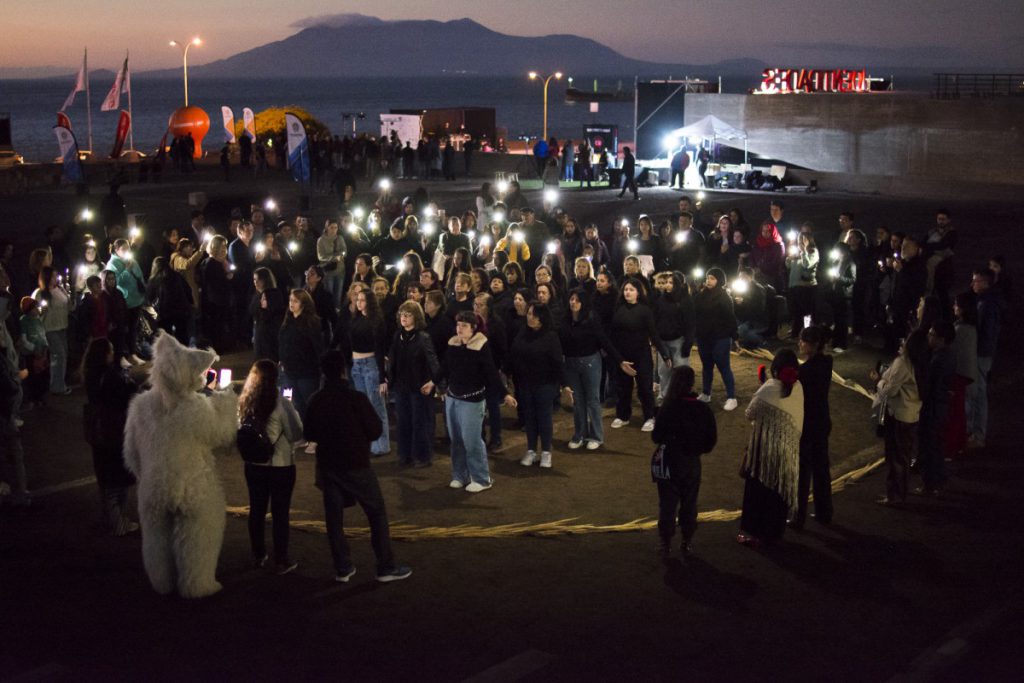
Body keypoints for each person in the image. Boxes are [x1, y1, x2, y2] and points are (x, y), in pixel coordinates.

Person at [304, 350, 412, 583]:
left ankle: (342, 567)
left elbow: (309, 433)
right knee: (376, 512)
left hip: (328, 466)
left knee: (334, 520)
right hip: (356, 464)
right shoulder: (356, 399)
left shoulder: (316, 399)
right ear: (343, 371)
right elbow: (375, 430)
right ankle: (385, 565)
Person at [238, 359, 303, 575]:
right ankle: (281, 559)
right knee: (280, 512)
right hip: (280, 465)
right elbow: (296, 433)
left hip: (253, 464)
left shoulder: (246, 400)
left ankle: (258, 555)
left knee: (256, 509)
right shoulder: (281, 403)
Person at [443, 311, 517, 491]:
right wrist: (432, 382)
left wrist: (505, 394)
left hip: (472, 401)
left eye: (464, 326)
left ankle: (482, 479)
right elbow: (445, 367)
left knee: (472, 440)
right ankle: (460, 475)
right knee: (457, 440)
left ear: (473, 328)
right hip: (452, 398)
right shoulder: (453, 344)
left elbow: (491, 373)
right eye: (458, 325)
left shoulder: (481, 346)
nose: (459, 329)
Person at [738, 349, 804, 547]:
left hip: (764, 451)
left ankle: (754, 534)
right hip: (787, 450)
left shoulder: (770, 387)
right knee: (778, 492)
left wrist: (764, 388)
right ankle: (774, 533)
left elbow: (750, 413)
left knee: (759, 491)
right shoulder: (798, 387)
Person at [652, 366, 717, 556]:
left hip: (670, 462)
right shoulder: (703, 409)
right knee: (689, 503)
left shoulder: (668, 408)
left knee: (667, 504)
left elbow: (656, 437)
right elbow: (711, 440)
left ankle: (665, 542)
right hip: (691, 463)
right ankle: (687, 541)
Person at [81, 337, 140, 534]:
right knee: (117, 479)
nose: (113, 353)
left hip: (98, 430)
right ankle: (119, 523)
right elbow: (124, 396)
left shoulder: (91, 374)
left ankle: (109, 518)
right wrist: (130, 383)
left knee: (105, 476)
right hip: (113, 430)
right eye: (111, 350)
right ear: (104, 354)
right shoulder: (110, 377)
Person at [871, 332, 927, 505]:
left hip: (899, 415)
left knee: (896, 457)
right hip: (912, 413)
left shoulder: (903, 363)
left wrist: (878, 380)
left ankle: (895, 496)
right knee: (903, 456)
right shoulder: (922, 362)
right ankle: (899, 494)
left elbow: (890, 391)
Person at [562, 288, 621, 450]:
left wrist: (620, 361)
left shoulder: (591, 319)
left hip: (590, 363)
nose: (573, 302)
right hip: (571, 364)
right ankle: (579, 434)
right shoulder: (565, 320)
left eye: (577, 300)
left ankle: (596, 436)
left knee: (593, 400)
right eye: (571, 299)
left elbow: (604, 341)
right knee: (577, 401)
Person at [509, 302, 566, 469]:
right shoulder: (522, 332)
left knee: (544, 418)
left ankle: (546, 452)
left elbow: (557, 362)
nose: (530, 317)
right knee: (529, 417)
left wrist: (565, 384)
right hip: (525, 383)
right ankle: (531, 450)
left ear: (542, 317)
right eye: (528, 314)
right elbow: (514, 353)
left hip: (545, 384)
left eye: (533, 314)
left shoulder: (550, 336)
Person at [610, 278, 670, 432]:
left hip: (642, 355)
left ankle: (650, 417)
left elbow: (653, 334)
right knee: (623, 387)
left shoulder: (644, 310)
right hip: (623, 356)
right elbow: (613, 335)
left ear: (638, 292)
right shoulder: (618, 309)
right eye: (625, 290)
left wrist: (664, 354)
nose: (627, 292)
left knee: (644, 388)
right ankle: (623, 415)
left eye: (631, 290)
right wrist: (618, 358)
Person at [388, 301, 442, 468]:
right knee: (403, 422)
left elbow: (433, 362)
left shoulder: (423, 338)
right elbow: (393, 360)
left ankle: (422, 456)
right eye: (402, 314)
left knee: (420, 422)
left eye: (408, 314)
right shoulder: (398, 335)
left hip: (419, 387)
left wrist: (436, 383)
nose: (404, 317)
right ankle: (405, 455)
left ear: (416, 317)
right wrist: (389, 379)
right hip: (401, 386)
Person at [792, 326, 833, 528]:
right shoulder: (826, 363)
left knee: (803, 471)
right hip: (822, 421)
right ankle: (824, 512)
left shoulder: (805, 371)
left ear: (812, 344)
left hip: (807, 424)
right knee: (821, 468)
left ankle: (798, 516)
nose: (799, 344)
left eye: (802, 341)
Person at [348, 287, 390, 456]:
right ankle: (368, 442)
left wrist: (382, 376)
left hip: (370, 364)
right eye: (357, 300)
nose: (359, 303)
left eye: (362, 300)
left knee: (376, 405)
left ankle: (382, 445)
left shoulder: (376, 322)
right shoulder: (356, 319)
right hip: (357, 364)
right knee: (363, 406)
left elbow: (380, 349)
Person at [917, 320, 956, 495]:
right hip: (941, 407)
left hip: (932, 408)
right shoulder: (948, 355)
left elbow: (929, 387)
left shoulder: (937, 360)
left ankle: (929, 484)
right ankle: (939, 480)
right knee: (937, 446)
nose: (928, 336)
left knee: (928, 446)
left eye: (932, 334)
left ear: (941, 339)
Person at [967, 268, 1003, 449]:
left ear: (986, 282)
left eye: (976, 280)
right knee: (976, 393)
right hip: (982, 352)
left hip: (981, 354)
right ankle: (973, 431)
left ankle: (978, 434)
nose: (973, 284)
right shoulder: (985, 301)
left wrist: (975, 349)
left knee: (979, 394)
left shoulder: (987, 304)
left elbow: (986, 332)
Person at [693, 268, 738, 411]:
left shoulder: (725, 297)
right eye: (707, 278)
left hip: (720, 337)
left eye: (712, 278)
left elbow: (731, 318)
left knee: (723, 366)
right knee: (706, 366)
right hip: (704, 337)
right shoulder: (701, 295)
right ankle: (706, 393)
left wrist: (735, 336)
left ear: (719, 280)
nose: (708, 281)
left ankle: (732, 397)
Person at [278, 289, 325, 419]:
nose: (291, 304)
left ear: (303, 304)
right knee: (291, 403)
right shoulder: (287, 321)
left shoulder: (311, 322)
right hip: (289, 371)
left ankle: (312, 433)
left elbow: (317, 346)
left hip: (306, 373)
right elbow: (282, 342)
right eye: (290, 300)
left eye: (295, 301)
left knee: (309, 404)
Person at [651, 271, 694, 402]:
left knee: (680, 371)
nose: (667, 285)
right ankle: (665, 396)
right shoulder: (660, 300)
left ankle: (681, 397)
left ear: (678, 285)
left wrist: (688, 344)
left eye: (671, 283)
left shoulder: (685, 301)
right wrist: (657, 341)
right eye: (667, 283)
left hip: (678, 341)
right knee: (664, 372)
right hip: (663, 342)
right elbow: (655, 321)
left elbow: (690, 323)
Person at [946, 292, 978, 459]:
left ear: (963, 308)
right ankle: (959, 444)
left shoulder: (960, 329)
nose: (954, 307)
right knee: (959, 411)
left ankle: (951, 448)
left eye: (956, 304)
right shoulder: (970, 327)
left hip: (958, 374)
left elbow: (952, 351)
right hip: (965, 374)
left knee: (954, 412)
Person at [32, 267, 72, 395]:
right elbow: (33, 312)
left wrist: (70, 295)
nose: (56, 279)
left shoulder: (60, 290)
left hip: (62, 327)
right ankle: (57, 386)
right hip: (50, 329)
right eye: (53, 276)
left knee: (62, 355)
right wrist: (40, 312)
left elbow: (69, 306)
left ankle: (58, 383)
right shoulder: (39, 293)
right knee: (58, 355)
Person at [199, 236, 234, 352]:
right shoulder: (212, 263)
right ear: (216, 247)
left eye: (225, 246)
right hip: (216, 299)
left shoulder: (213, 262)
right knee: (217, 325)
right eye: (223, 246)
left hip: (215, 298)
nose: (225, 249)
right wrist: (228, 275)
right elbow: (215, 282)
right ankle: (219, 347)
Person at [786, 231, 819, 338]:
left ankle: (808, 334)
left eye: (804, 240)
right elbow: (789, 266)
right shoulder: (798, 252)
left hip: (806, 287)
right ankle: (796, 333)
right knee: (796, 312)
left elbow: (807, 265)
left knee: (806, 312)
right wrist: (789, 258)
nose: (801, 242)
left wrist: (804, 251)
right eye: (800, 240)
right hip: (794, 285)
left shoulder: (812, 251)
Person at [250, 267, 286, 361]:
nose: (256, 282)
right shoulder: (257, 295)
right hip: (259, 331)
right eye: (254, 279)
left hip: (270, 334)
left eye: (258, 279)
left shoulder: (274, 294)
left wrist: (264, 308)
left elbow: (271, 314)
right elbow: (252, 311)